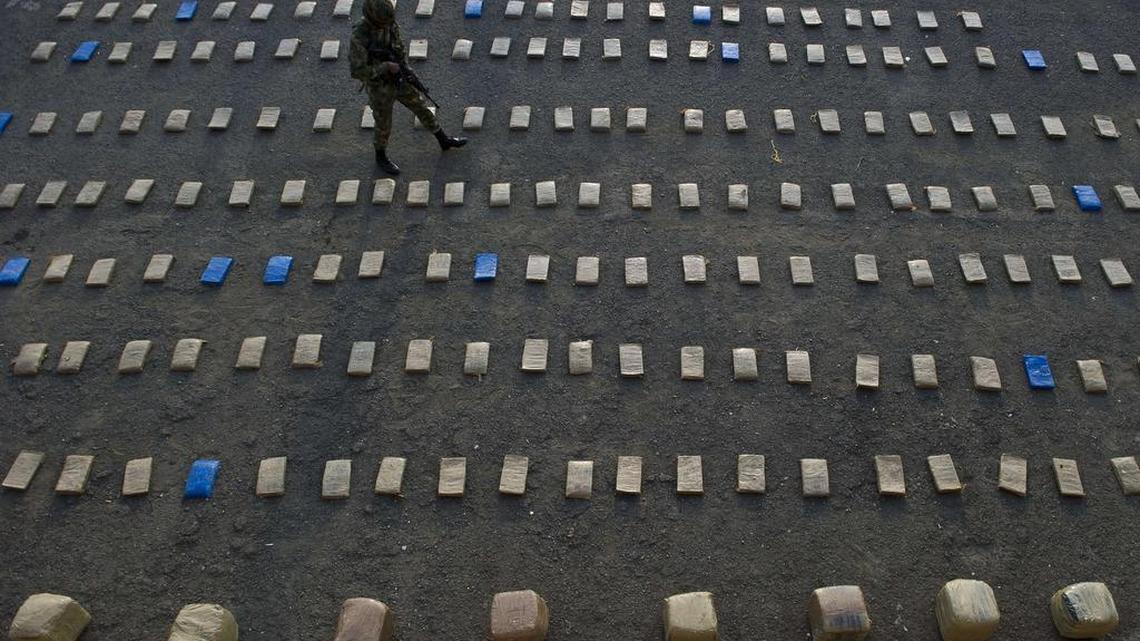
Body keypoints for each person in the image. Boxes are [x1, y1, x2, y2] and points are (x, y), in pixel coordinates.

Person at [349, 0, 467, 175]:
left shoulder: (389, 23)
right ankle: (381, 156)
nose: (387, 26)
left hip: (399, 78)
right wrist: (386, 67)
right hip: (379, 87)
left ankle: (443, 139)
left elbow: (399, 48)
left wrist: (407, 71)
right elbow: (357, 71)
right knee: (383, 123)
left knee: (420, 106)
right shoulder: (359, 37)